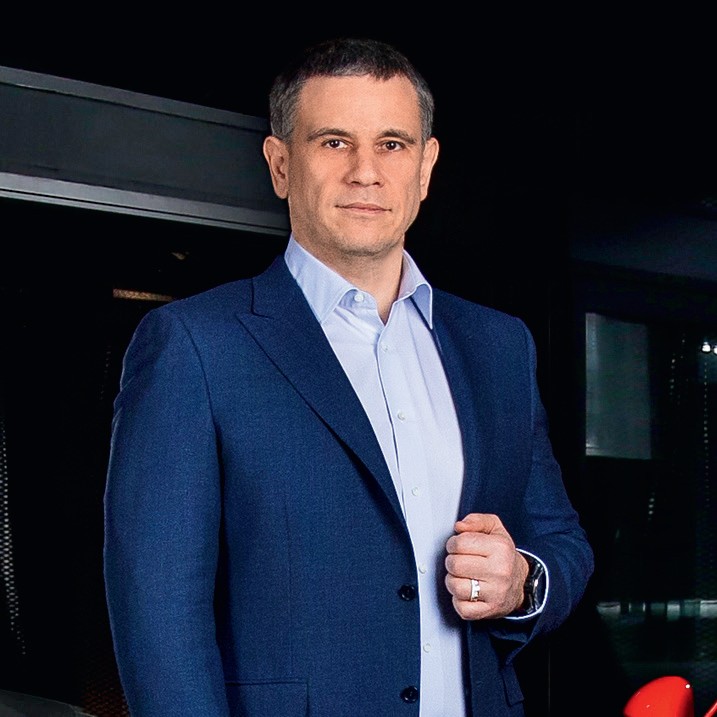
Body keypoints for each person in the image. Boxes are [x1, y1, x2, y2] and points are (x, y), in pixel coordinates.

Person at [103, 36, 594, 717]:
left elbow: (562, 542)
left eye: (392, 144)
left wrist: (522, 584)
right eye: (334, 142)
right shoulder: (193, 345)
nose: (366, 172)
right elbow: (157, 616)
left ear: (425, 167)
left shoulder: (499, 346)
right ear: (280, 165)